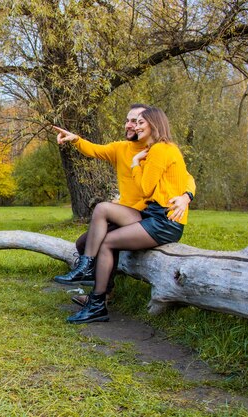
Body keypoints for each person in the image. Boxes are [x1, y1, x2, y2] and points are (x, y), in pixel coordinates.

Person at [54, 107, 192, 324]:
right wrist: (76, 139)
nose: (133, 126)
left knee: (106, 241)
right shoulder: (153, 149)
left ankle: (97, 300)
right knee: (100, 214)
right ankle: (90, 276)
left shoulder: (157, 150)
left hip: (163, 220)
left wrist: (186, 195)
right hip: (151, 214)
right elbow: (95, 150)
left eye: (139, 122)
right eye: (132, 122)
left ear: (153, 124)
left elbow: (150, 187)